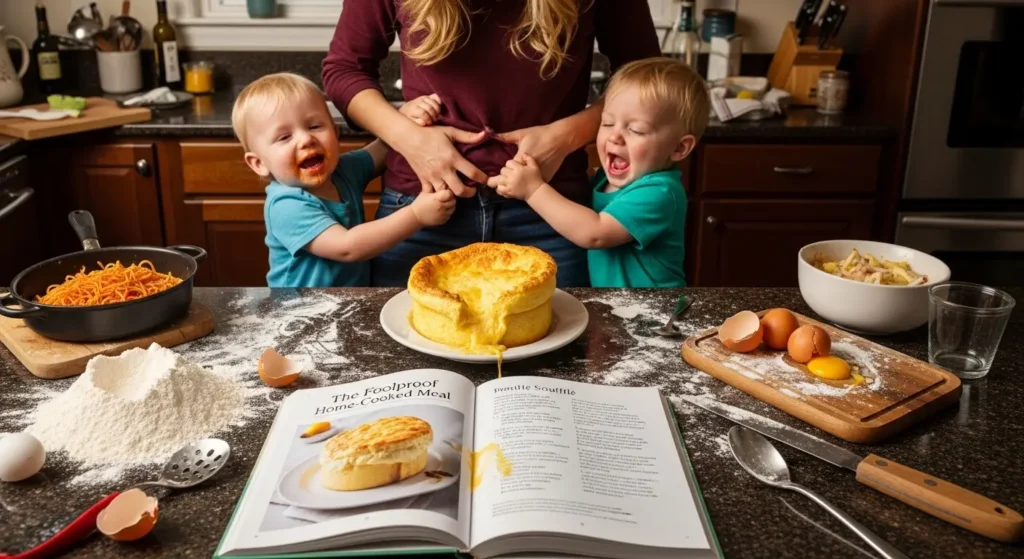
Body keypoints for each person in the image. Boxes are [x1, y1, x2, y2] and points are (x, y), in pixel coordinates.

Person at [322, 0, 660, 287]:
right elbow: (345, 70)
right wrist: (410, 140)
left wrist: (566, 136)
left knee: (558, 363)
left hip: (553, 211)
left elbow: (648, 75)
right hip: (422, 206)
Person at [488, 58, 710, 288]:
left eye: (635, 130)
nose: (615, 136)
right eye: (606, 123)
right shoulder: (604, 180)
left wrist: (533, 190)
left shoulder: (660, 192)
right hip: (620, 310)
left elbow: (594, 232)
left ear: (679, 148)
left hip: (657, 314)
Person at [231, 73, 454, 288]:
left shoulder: (342, 171)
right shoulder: (286, 205)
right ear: (258, 163)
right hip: (298, 315)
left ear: (335, 132)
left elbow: (383, 148)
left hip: (346, 306)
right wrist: (417, 214)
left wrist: (404, 119)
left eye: (314, 126)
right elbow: (347, 247)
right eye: (284, 137)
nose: (306, 139)